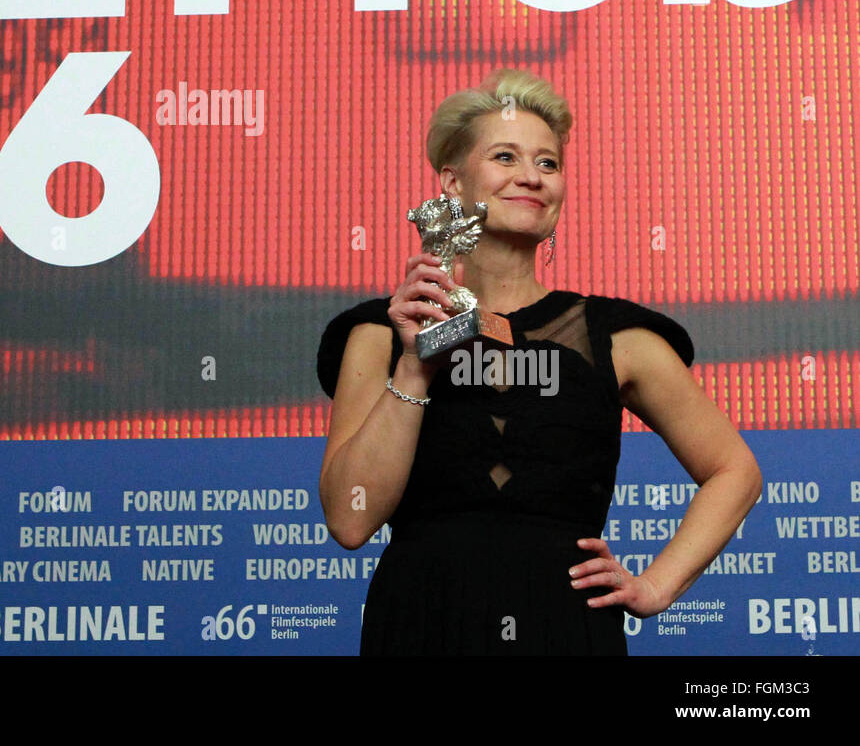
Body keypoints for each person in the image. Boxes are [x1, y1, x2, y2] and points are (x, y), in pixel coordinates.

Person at [316, 68, 762, 655]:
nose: (531, 176)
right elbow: (352, 521)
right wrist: (416, 364)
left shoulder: (615, 336)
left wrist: (656, 585)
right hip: (422, 623)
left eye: (548, 164)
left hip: (565, 627)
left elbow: (736, 472)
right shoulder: (380, 334)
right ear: (452, 182)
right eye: (505, 157)